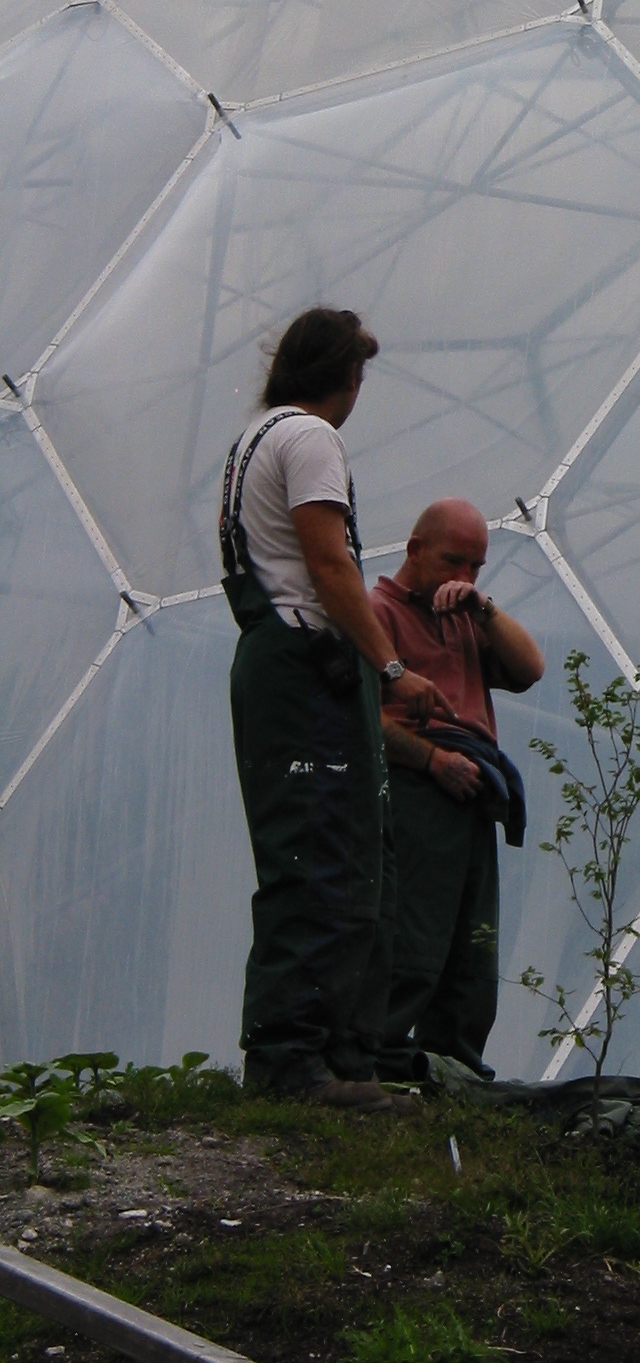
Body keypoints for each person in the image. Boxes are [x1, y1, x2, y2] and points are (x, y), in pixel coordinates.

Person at [222, 306, 450, 1111]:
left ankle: (331, 1057)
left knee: (317, 853)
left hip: (275, 662)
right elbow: (327, 562)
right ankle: (295, 1062)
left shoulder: (255, 438)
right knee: (324, 858)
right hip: (305, 668)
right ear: (346, 378)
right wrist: (390, 666)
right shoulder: (311, 439)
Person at [370, 500, 544, 1082]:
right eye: (453, 561)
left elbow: (530, 668)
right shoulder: (377, 616)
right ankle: (384, 1059)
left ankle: (453, 1067)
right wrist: (432, 758)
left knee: (474, 945)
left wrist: (483, 608)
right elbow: (359, 720)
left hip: (472, 791)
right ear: (414, 550)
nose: (464, 577)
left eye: (477, 566)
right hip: (419, 788)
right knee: (415, 936)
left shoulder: (466, 617)